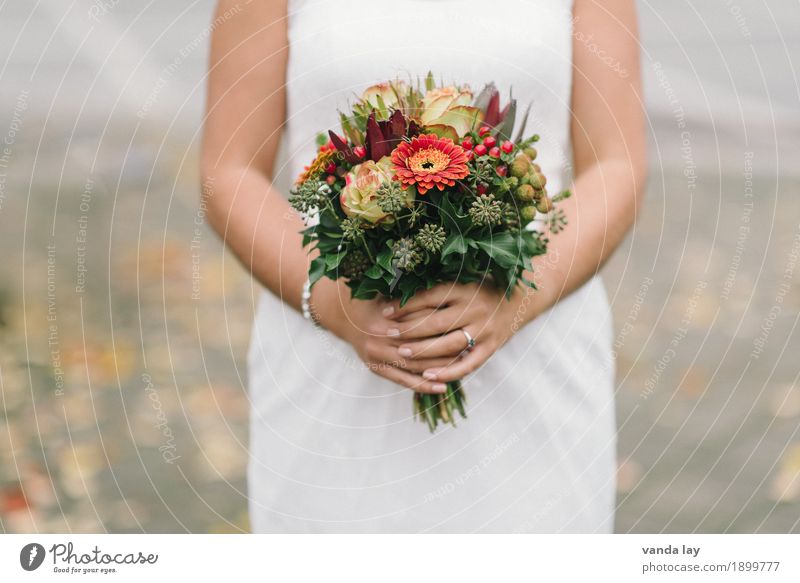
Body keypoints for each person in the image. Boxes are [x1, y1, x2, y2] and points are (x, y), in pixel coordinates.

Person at [201, 0, 646, 532]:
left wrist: (522, 292)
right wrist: (334, 305)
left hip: (534, 356)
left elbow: (617, 163)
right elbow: (227, 169)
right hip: (330, 368)